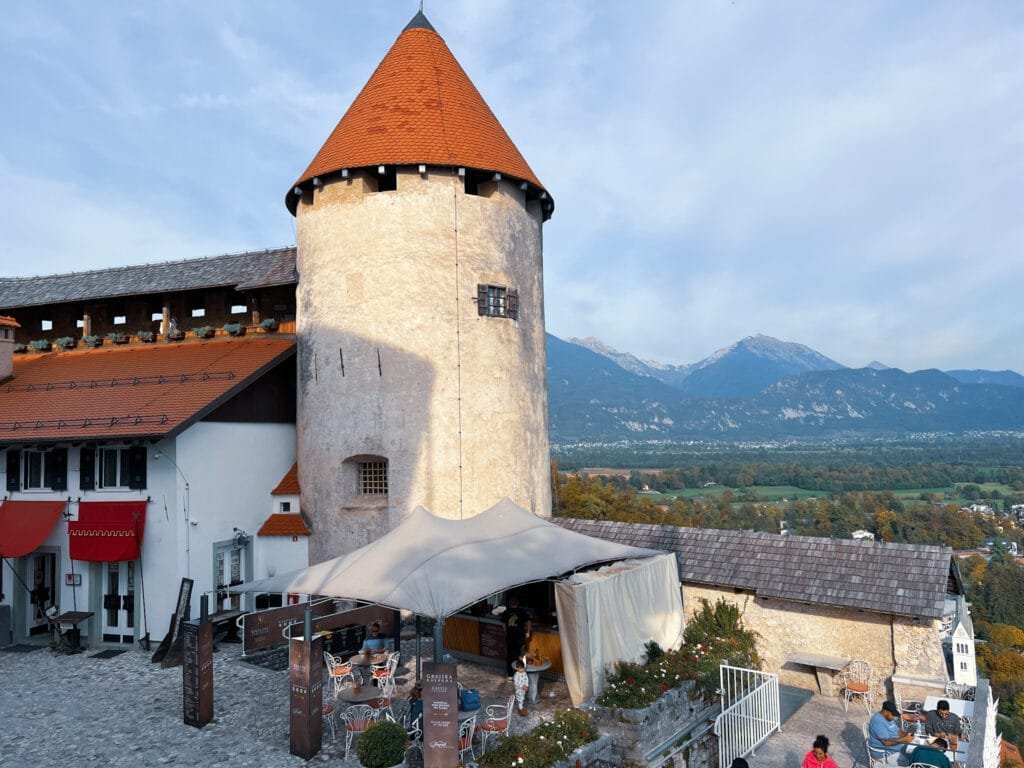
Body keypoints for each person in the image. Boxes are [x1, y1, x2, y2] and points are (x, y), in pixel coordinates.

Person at [502, 595, 532, 677]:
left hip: (510, 638)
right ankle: (520, 673)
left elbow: (504, 625)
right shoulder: (522, 612)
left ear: (509, 603)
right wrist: (528, 632)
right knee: (521, 655)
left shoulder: (506, 612)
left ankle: (510, 675)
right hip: (520, 638)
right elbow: (529, 621)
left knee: (510, 656)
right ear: (518, 603)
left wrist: (506, 633)